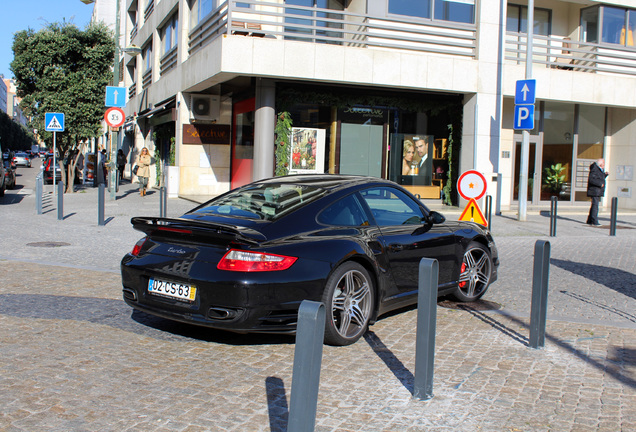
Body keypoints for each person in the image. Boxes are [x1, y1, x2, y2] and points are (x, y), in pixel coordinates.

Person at [586, 158, 608, 226]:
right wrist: (600, 184)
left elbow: (599, 177)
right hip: (594, 190)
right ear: (600, 164)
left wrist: (605, 175)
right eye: (603, 163)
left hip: (597, 190)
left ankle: (589, 220)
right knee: (595, 206)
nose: (604, 164)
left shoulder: (599, 170)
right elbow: (592, 180)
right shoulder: (594, 169)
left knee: (594, 205)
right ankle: (595, 221)